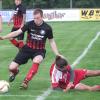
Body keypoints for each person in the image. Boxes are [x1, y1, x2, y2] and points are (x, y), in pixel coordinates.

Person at [0, 8, 62, 89]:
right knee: (11, 67)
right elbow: (17, 32)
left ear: (42, 17)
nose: (36, 20)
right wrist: (4, 37)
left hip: (39, 51)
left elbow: (52, 41)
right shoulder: (29, 24)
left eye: (38, 18)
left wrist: (57, 53)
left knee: (37, 60)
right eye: (34, 18)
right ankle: (15, 72)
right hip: (27, 49)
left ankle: (26, 81)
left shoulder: (47, 28)